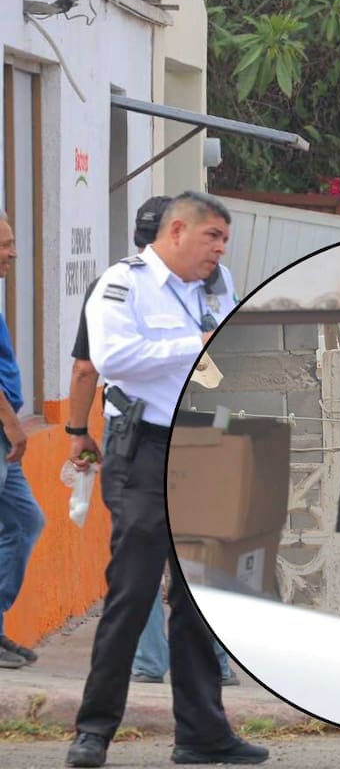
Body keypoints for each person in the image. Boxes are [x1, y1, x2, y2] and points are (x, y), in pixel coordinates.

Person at [67, 191, 267, 768]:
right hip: (145, 453)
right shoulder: (122, 285)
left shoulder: (216, 283)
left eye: (225, 241)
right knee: (132, 592)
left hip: (205, 446)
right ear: (177, 230)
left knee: (200, 595)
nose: (221, 251)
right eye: (213, 238)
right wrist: (196, 346)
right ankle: (94, 731)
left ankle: (203, 733)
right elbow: (114, 357)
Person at [0, 211, 45, 670]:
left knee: (26, 521)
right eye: (5, 244)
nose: (13, 252)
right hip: (3, 428)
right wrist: (13, 423)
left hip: (5, 433)